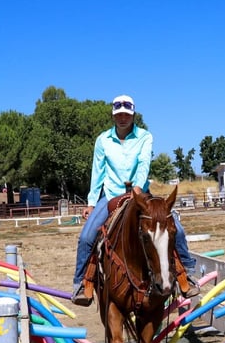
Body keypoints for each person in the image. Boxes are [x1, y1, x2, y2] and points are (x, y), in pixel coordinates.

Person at [71, 94, 199, 305]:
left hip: (141, 194)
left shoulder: (144, 137)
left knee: (176, 228)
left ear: (133, 115)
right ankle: (82, 284)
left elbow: (143, 163)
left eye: (127, 115)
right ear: (113, 115)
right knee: (86, 237)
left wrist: (137, 190)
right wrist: (92, 203)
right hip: (112, 195)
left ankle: (187, 276)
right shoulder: (103, 140)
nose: (123, 118)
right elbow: (98, 172)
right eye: (119, 114)